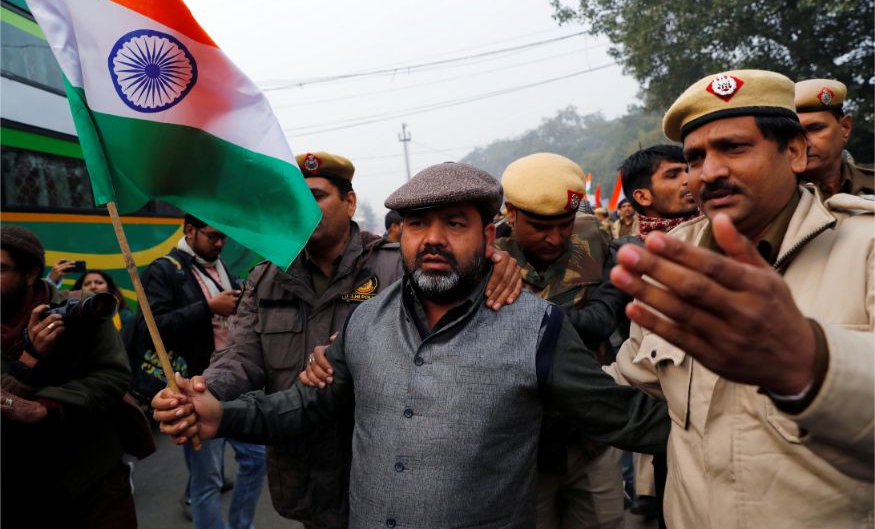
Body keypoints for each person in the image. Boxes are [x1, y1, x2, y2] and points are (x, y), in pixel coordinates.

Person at [153, 161, 671, 528]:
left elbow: (624, 418)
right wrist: (221, 415)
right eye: (418, 224)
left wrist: (714, 440)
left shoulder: (538, 329)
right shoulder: (365, 322)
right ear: (400, 235)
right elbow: (305, 406)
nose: (433, 238)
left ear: (489, 238)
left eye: (455, 224)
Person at [198, 152, 522, 529]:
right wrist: (205, 390)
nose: (304, 208)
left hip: (391, 471)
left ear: (350, 202)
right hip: (305, 471)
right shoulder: (266, 278)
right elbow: (240, 356)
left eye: (316, 196)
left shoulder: (399, 265)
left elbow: (451, 329)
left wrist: (497, 264)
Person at [608, 69, 874, 528]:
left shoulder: (866, 248)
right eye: (694, 158)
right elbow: (627, 381)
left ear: (795, 152)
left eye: (734, 147)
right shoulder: (672, 264)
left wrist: (811, 364)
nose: (709, 173)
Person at [497, 153, 635, 529]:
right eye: (541, 227)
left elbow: (604, 318)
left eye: (565, 224)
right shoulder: (485, 255)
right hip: (521, 443)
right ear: (512, 213)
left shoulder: (591, 239)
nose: (556, 238)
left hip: (589, 435)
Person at [0, 226, 135, 528]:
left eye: (0, 269)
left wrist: (47, 407)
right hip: (19, 489)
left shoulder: (84, 308)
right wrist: (28, 362)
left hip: (94, 478)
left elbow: (114, 376)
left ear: (31, 274)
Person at [138, 214, 265, 529]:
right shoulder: (163, 271)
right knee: (208, 480)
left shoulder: (223, 268)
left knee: (256, 460)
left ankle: (241, 525)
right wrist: (208, 308)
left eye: (223, 237)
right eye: (213, 236)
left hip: (235, 385)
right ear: (190, 231)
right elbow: (153, 329)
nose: (219, 244)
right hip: (195, 388)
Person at [616, 144, 703, 519]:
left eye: (688, 169)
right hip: (662, 415)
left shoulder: (722, 239)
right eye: (673, 174)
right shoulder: (626, 255)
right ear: (641, 197)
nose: (688, 179)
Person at [794, 78, 874, 199]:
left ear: (845, 128)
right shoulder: (773, 196)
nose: (805, 143)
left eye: (816, 128)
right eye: (794, 133)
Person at [619, 144, 701, 237]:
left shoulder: (712, 231)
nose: (689, 179)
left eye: (688, 171)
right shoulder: (631, 246)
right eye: (673, 175)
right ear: (643, 197)